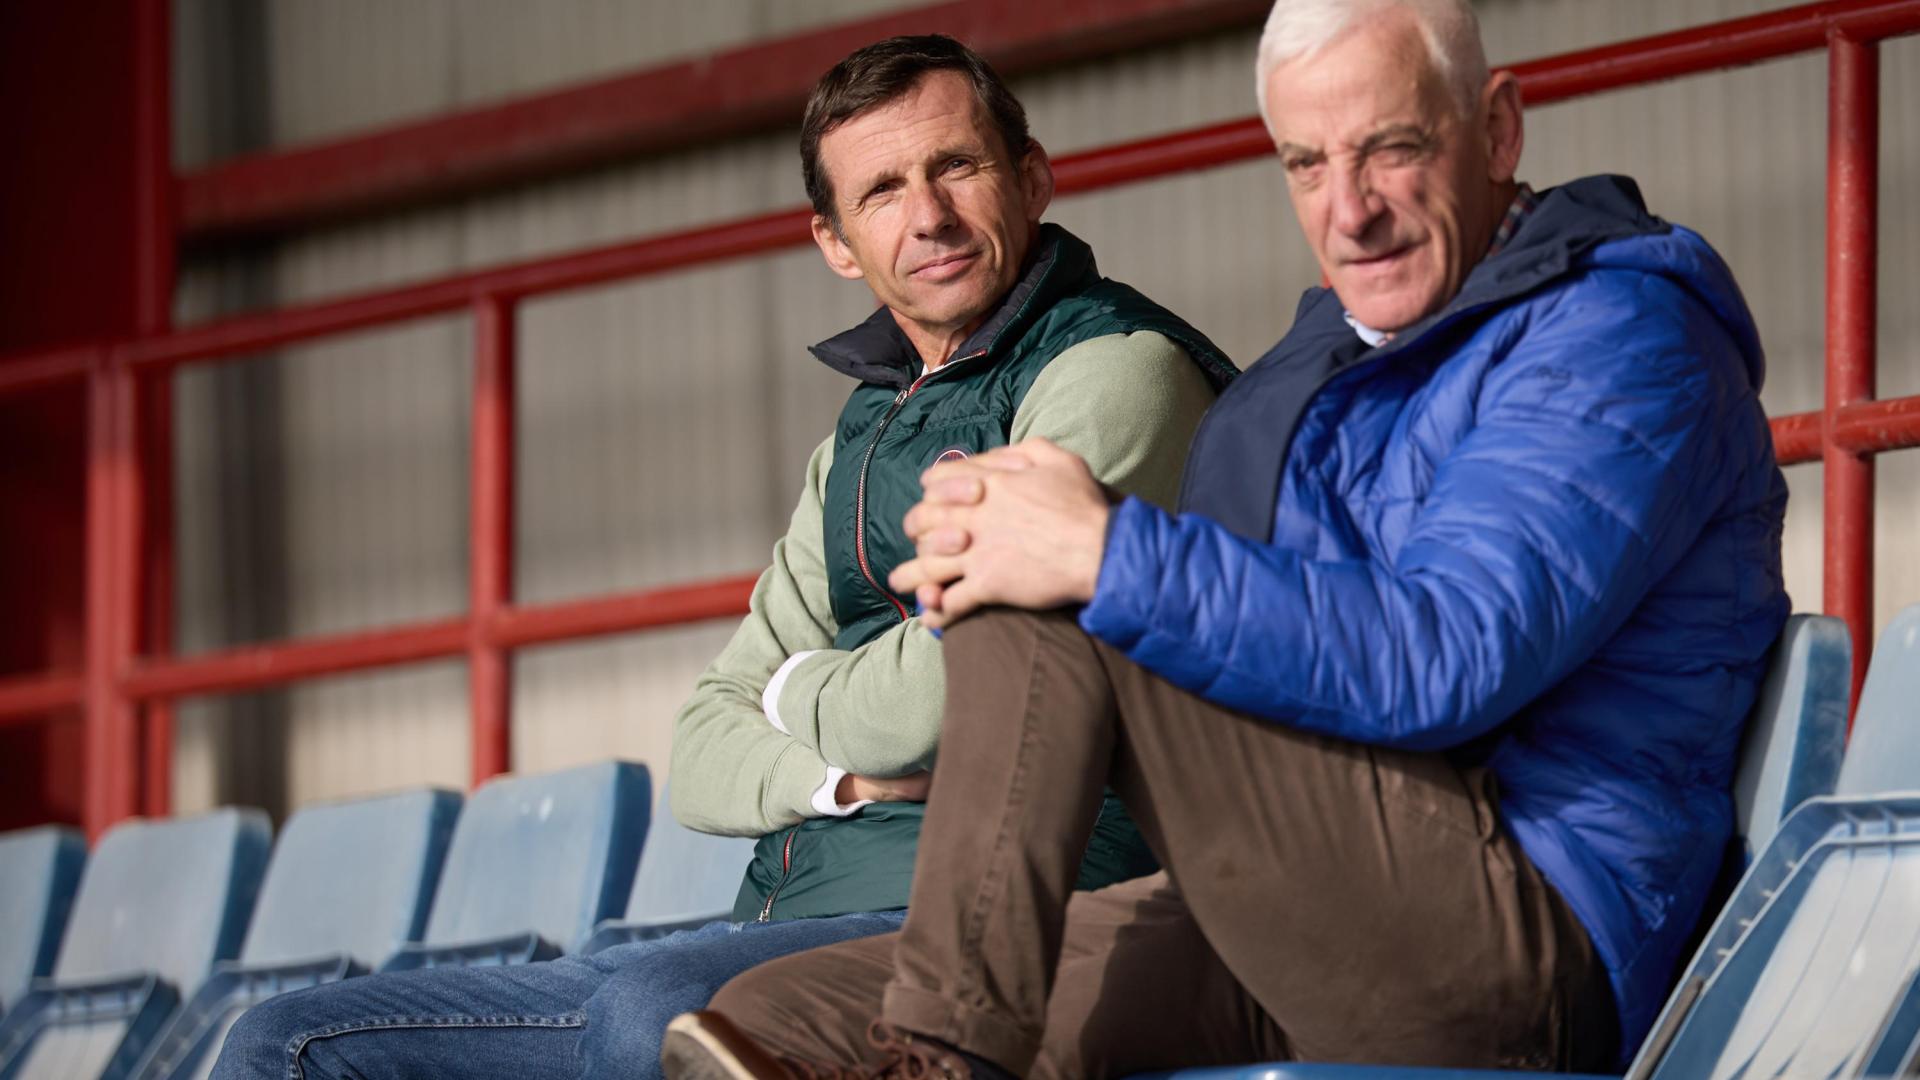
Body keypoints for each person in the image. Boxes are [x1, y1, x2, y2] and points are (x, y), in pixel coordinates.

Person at [663, 1, 1789, 1077]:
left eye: (1389, 149)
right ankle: (937, 1053)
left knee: (1048, 591)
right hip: (1323, 894)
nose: (1350, 211)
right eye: (1308, 164)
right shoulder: (1327, 365)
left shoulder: (1618, 335)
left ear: (1494, 130)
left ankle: (946, 1062)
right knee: (771, 1022)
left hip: (1527, 939)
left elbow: (1447, 659)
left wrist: (1102, 552)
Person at [210, 35, 1234, 1080]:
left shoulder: (1112, 373)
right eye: (881, 190)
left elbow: (948, 699)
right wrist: (841, 780)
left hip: (1010, 930)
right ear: (837, 243)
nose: (926, 215)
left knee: (654, 1016)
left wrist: (789, 688)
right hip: (780, 918)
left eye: (956, 168)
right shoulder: (857, 441)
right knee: (286, 1045)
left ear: (1032, 178)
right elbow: (701, 746)